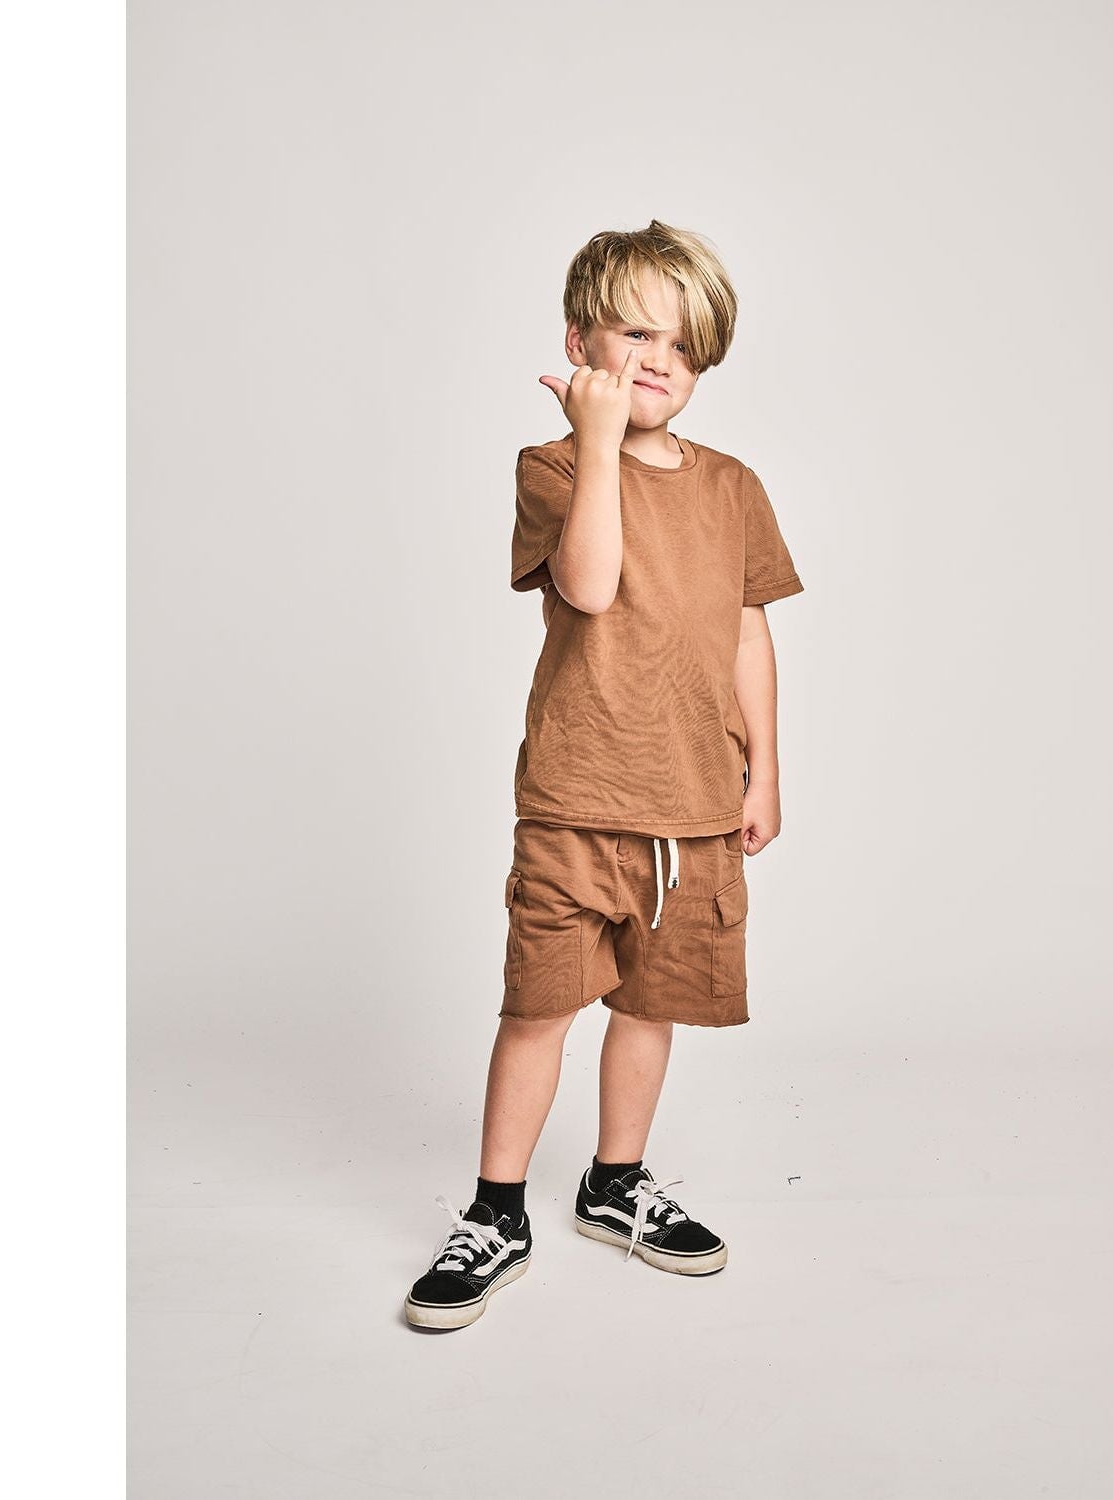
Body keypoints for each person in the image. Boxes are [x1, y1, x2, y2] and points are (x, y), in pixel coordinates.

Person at [404, 220, 805, 1329]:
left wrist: (765, 771)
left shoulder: (733, 486)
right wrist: (592, 441)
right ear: (581, 342)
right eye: (634, 333)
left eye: (682, 342)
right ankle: (496, 1209)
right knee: (540, 1006)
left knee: (650, 1003)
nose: (658, 359)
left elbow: (747, 632)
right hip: (578, 798)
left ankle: (614, 1182)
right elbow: (587, 585)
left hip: (694, 805)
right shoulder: (552, 468)